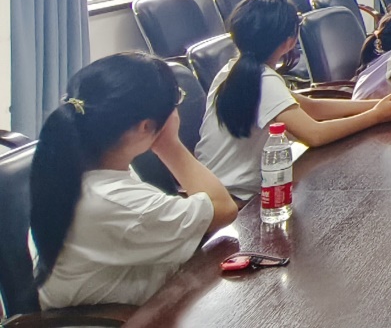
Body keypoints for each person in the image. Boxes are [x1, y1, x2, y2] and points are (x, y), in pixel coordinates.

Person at [30, 53, 238, 309]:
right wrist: (169, 145)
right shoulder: (114, 202)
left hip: (148, 302)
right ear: (145, 127)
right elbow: (223, 208)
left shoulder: (75, 165)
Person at [196, 0, 391, 200]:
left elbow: (311, 107)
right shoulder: (263, 79)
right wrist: (375, 116)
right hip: (236, 199)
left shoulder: (233, 70)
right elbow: (314, 135)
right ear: (289, 41)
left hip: (211, 189)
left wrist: (377, 105)